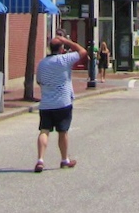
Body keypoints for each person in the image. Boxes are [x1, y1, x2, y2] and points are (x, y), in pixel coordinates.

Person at [34, 35, 88, 173]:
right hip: (63, 102)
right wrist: (67, 41)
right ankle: (64, 159)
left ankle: (40, 159)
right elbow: (82, 51)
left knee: (44, 131)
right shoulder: (64, 60)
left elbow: (39, 81)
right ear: (61, 48)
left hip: (46, 103)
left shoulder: (42, 63)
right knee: (62, 132)